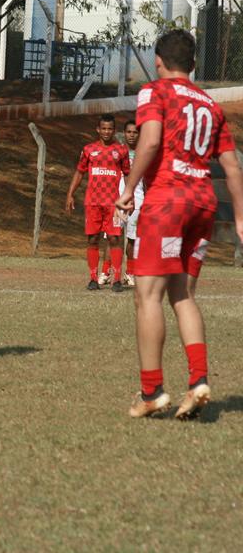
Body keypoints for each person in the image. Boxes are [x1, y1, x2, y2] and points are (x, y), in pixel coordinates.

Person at [117, 29, 243, 420]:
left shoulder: (154, 92)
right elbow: (232, 166)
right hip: (202, 204)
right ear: (192, 64)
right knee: (183, 294)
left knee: (147, 295)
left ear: (158, 61)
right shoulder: (211, 104)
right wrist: (240, 217)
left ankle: (152, 391)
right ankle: (198, 379)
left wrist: (129, 188)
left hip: (167, 202)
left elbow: (151, 141)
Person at [65, 114, 130, 292]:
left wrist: (129, 196)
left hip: (113, 204)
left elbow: (127, 174)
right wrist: (70, 194)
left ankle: (116, 280)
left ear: (114, 130)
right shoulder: (88, 150)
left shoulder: (121, 151)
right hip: (93, 202)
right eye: (104, 128)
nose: (107, 132)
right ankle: (93, 279)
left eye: (110, 129)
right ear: (98, 129)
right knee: (93, 239)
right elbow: (79, 172)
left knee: (114, 238)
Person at [119, 120, 142, 286]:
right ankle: (107, 272)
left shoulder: (144, 153)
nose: (132, 135)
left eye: (135, 132)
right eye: (129, 132)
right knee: (113, 237)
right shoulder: (117, 151)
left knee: (132, 239)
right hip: (118, 199)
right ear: (124, 133)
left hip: (138, 199)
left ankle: (130, 273)